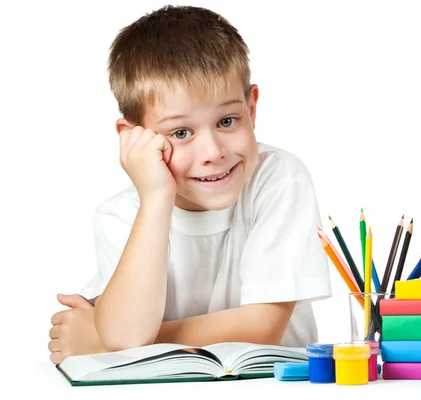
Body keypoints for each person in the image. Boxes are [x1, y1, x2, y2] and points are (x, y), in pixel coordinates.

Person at [47, 5, 332, 365]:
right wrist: (156, 199)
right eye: (181, 133)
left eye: (227, 121)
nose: (212, 152)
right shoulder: (120, 215)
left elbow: (262, 329)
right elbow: (127, 334)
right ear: (133, 139)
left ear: (252, 108)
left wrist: (102, 341)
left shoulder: (278, 179)